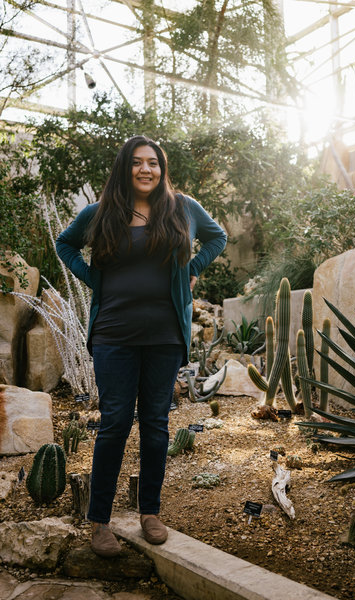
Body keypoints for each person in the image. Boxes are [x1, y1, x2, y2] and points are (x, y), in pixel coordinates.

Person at [56, 134, 227, 557]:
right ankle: (100, 521)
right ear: (125, 168)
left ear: (162, 168)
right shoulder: (101, 213)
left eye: (153, 162)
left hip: (165, 335)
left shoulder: (182, 208)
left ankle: (150, 512)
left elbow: (217, 237)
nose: (146, 169)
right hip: (114, 334)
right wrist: (94, 278)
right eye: (137, 162)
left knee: (155, 426)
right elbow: (65, 244)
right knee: (114, 424)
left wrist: (192, 269)